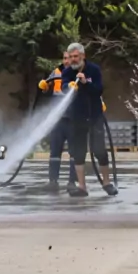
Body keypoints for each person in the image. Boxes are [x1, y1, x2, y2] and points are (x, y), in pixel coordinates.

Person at [61, 42, 118, 197]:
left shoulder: (94, 70)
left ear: (83, 56)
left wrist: (86, 83)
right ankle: (82, 187)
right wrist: (69, 86)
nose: (73, 60)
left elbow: (98, 89)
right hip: (76, 117)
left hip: (94, 116)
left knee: (99, 150)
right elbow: (63, 87)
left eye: (76, 56)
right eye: (71, 57)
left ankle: (107, 183)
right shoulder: (67, 72)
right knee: (78, 152)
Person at [38, 51, 76, 192]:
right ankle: (53, 181)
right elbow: (47, 90)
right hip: (57, 120)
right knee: (54, 152)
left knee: (74, 154)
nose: (67, 61)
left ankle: (72, 182)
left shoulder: (78, 74)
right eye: (65, 58)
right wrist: (44, 87)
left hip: (73, 120)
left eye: (69, 59)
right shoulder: (56, 73)